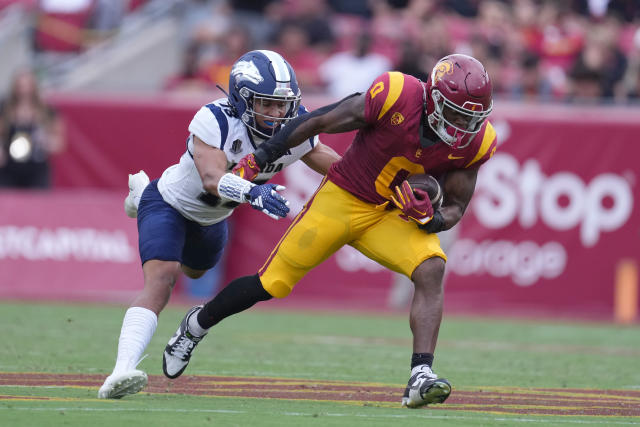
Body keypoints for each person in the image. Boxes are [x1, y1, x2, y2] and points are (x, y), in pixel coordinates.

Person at [163, 53, 497, 408]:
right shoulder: (397, 93)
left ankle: (420, 375)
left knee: (431, 267)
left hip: (387, 214)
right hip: (341, 199)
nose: (463, 124)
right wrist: (260, 160)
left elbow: (456, 206)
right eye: (457, 112)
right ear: (432, 98)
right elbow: (318, 120)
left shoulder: (477, 141)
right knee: (271, 283)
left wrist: (431, 219)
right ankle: (196, 324)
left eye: (472, 117)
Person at [97, 49, 341, 399]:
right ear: (242, 100)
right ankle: (121, 371)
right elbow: (212, 177)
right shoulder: (216, 118)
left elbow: (325, 159)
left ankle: (137, 199)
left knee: (195, 272)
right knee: (162, 280)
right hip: (171, 203)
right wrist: (252, 193)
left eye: (281, 105)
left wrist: (371, 182)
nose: (276, 113)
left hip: (213, 218)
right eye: (266, 104)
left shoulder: (295, 124)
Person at [0, 69, 65, 189]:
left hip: (36, 169)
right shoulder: (5, 110)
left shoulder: (47, 111)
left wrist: (47, 141)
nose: (24, 91)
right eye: (20, 86)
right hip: (9, 169)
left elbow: (59, 143)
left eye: (27, 86)